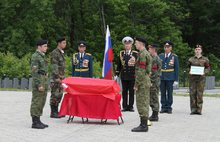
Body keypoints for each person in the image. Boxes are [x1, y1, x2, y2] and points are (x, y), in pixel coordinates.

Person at [131, 37, 152, 132]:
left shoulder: (143, 54)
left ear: (141, 44)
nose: (135, 44)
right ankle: (144, 123)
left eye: (136, 43)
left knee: (141, 103)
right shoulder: (144, 53)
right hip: (145, 80)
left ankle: (143, 126)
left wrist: (137, 84)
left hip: (142, 82)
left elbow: (141, 71)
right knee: (144, 102)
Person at [115, 36, 138, 112]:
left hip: (132, 75)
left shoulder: (135, 53)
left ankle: (131, 106)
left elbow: (137, 65)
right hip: (124, 76)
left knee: (131, 91)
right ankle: (125, 106)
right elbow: (119, 65)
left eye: (129, 44)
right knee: (124, 91)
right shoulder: (121, 53)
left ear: (131, 45)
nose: (127, 45)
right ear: (124, 45)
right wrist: (117, 74)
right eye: (126, 44)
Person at [30, 39, 49, 129]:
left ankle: (38, 119)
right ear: (39, 47)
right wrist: (39, 84)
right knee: (37, 100)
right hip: (39, 80)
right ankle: (34, 122)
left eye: (46, 46)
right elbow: (34, 72)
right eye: (44, 46)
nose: (46, 48)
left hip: (43, 79)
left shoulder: (42, 56)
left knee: (42, 100)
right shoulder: (35, 56)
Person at [188, 44, 210, 115]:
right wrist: (189, 71)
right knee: (192, 94)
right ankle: (193, 109)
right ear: (194, 50)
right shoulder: (191, 59)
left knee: (199, 94)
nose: (197, 51)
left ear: (201, 51)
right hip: (192, 79)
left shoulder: (205, 59)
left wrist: (204, 72)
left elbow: (208, 68)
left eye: (199, 49)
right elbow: (188, 67)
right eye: (196, 49)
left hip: (201, 79)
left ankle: (199, 109)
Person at [159, 41, 179, 114]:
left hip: (170, 77)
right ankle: (163, 107)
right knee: (163, 92)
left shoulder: (174, 56)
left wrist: (176, 80)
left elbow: (176, 69)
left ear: (171, 48)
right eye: (165, 47)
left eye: (168, 47)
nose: (166, 48)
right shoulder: (160, 56)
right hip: (162, 77)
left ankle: (169, 107)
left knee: (169, 93)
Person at [50, 37, 66, 118]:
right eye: (63, 43)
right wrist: (57, 77)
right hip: (56, 78)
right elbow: (54, 66)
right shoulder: (55, 53)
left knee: (59, 94)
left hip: (61, 77)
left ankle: (56, 111)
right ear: (59, 43)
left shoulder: (61, 53)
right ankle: (53, 112)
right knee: (55, 94)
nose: (65, 44)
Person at [148, 44, 161, 121]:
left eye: (150, 49)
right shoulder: (152, 58)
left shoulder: (156, 59)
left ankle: (155, 115)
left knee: (154, 97)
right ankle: (154, 113)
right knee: (151, 97)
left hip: (154, 81)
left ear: (153, 49)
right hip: (152, 81)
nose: (149, 50)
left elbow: (155, 73)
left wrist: (151, 81)